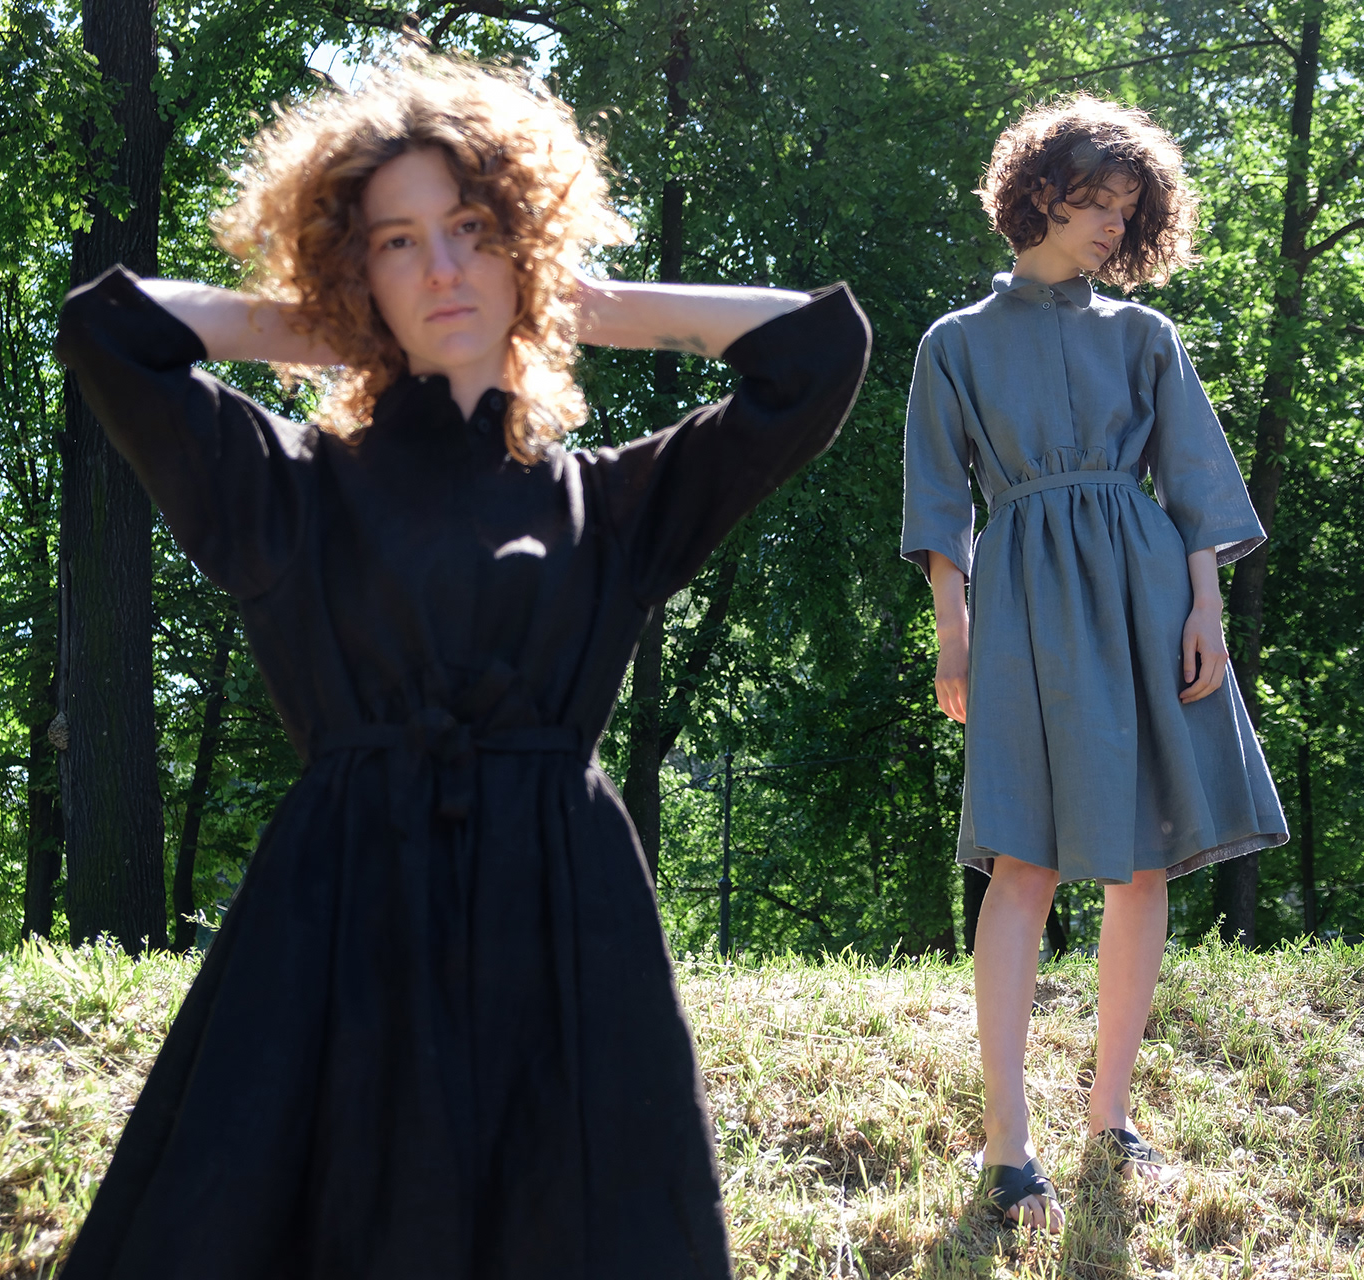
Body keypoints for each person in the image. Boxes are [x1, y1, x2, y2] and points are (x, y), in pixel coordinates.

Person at [53, 58, 869, 1279]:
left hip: (565, 926)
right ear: (354, 266)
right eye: (397, 241)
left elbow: (814, 348)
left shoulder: (616, 502)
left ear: (525, 241)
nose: (442, 268)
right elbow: (111, 331)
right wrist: (330, 322)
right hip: (339, 925)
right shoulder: (286, 487)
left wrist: (567, 301)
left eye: (474, 229)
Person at [901, 96, 1286, 1231]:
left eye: (1129, 206)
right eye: (1096, 201)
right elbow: (939, 499)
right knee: (1021, 859)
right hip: (1023, 599)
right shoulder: (954, 342)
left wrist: (1207, 607)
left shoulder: (1144, 335)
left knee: (1142, 860)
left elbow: (1195, 481)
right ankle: (1008, 1145)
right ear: (1040, 195)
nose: (1115, 223)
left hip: (1147, 589)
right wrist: (953, 628)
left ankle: (1110, 1116)